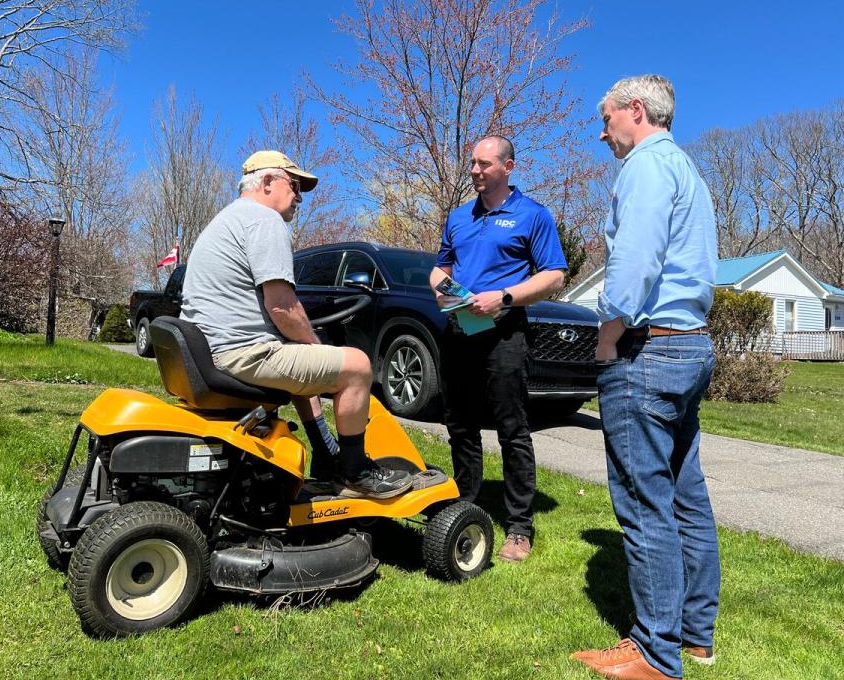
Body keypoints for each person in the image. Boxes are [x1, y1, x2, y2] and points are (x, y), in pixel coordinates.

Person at [571, 75, 719, 680]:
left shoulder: (645, 167)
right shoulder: (688, 170)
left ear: (636, 111)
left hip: (647, 352)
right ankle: (695, 635)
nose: (602, 131)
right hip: (689, 347)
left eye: (605, 118)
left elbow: (634, 261)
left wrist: (609, 334)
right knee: (686, 495)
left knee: (642, 504)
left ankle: (656, 654)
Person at [180, 150, 412, 500]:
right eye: (294, 185)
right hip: (242, 353)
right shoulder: (263, 219)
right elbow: (283, 307)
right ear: (267, 182)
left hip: (215, 350)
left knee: (305, 360)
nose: (299, 197)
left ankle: (326, 454)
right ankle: (355, 472)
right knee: (358, 367)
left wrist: (307, 346)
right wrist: (319, 346)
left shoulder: (227, 219)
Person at [429, 135, 567, 563]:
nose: (475, 170)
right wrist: (444, 290)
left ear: (508, 167)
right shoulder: (459, 217)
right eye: (472, 163)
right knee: (461, 426)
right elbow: (440, 267)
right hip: (460, 331)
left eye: (484, 164)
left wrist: (504, 297)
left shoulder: (532, 215)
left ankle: (519, 527)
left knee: (511, 428)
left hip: (505, 335)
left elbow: (555, 276)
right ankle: (464, 506)